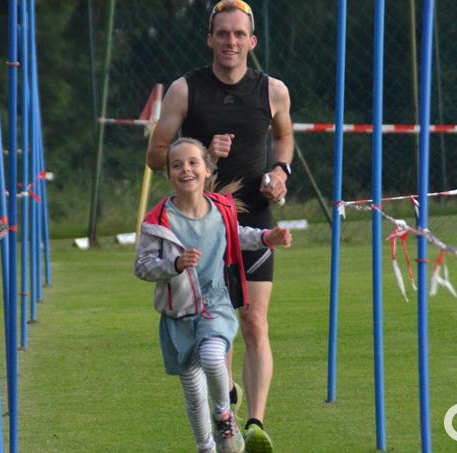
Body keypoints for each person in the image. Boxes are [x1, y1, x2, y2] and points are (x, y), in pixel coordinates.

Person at [146, 1, 293, 451]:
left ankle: (255, 424)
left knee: (254, 321)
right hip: (203, 225)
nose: (231, 42)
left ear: (252, 41)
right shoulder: (185, 90)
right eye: (223, 33)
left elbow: (284, 135)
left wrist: (281, 172)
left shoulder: (273, 90)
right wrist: (204, 156)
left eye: (239, 34)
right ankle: (225, 400)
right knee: (215, 321)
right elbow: (155, 156)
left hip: (254, 216)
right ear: (210, 39)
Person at [135, 138, 292, 453]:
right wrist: (174, 264)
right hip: (179, 314)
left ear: (208, 169)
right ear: (169, 175)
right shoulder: (158, 220)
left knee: (212, 357)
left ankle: (224, 414)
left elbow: (237, 235)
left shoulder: (221, 209)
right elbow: (142, 266)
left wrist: (266, 237)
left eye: (193, 162)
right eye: (177, 165)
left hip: (216, 305)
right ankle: (205, 446)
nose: (186, 169)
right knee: (194, 393)